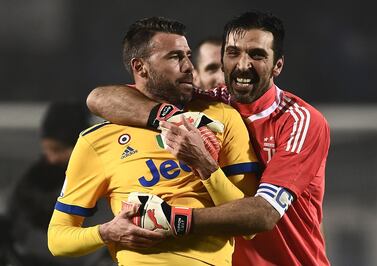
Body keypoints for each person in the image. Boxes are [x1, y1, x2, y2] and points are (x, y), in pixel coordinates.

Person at [87, 11, 331, 266]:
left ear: (277, 65)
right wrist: (168, 116)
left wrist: (174, 220)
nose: (243, 65)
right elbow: (99, 98)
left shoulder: (299, 121)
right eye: (233, 53)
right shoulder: (207, 104)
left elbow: (264, 215)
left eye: (257, 55)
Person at [48, 17, 259, 266]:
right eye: (175, 57)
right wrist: (107, 232)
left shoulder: (219, 117)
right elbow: (57, 239)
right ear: (140, 67)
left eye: (188, 55)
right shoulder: (96, 141)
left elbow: (249, 223)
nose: (189, 66)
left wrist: (204, 164)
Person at [7, 102, 113, 266]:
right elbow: (14, 212)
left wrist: (23, 237)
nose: (51, 158)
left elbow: (90, 250)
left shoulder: (102, 180)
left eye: (58, 150)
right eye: (46, 150)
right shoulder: (36, 178)